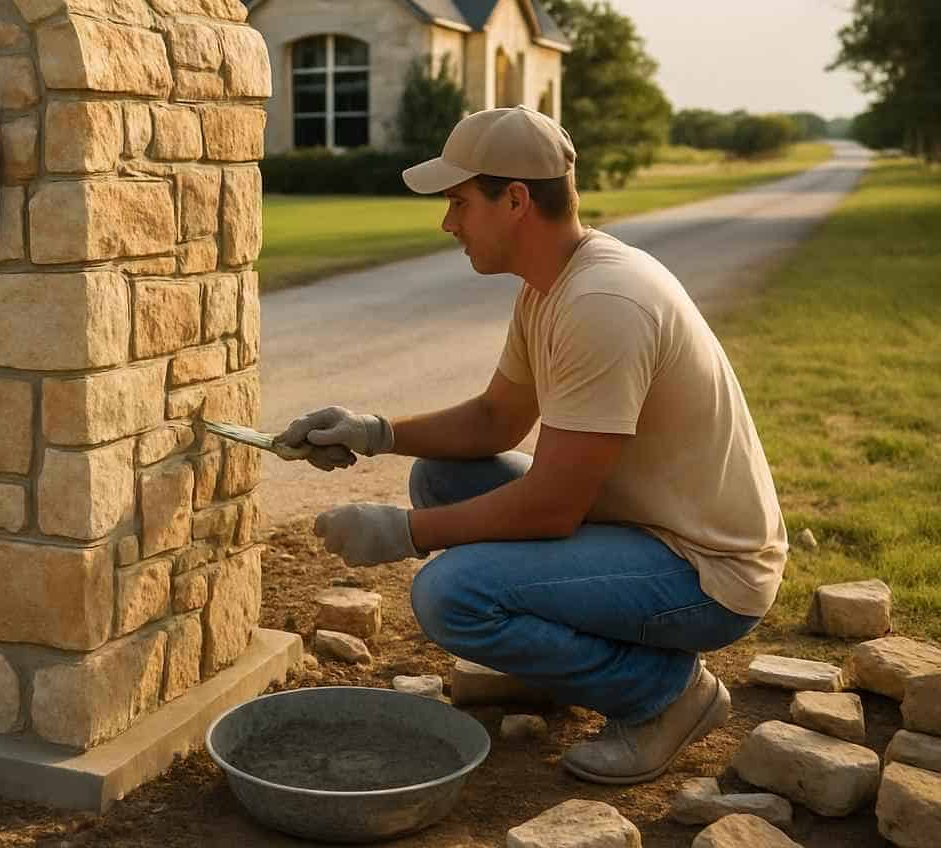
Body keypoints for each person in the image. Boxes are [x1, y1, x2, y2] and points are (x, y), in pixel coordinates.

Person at [277, 105, 786, 785]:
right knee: (443, 479)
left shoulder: (605, 301)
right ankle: (572, 661)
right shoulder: (552, 286)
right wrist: (374, 431)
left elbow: (551, 509)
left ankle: (664, 696)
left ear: (514, 199)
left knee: (449, 597)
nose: (448, 223)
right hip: (644, 529)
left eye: (459, 202)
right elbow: (494, 420)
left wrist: (404, 533)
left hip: (706, 573)